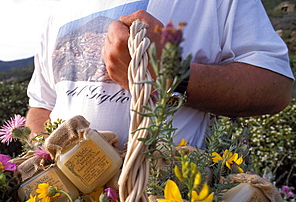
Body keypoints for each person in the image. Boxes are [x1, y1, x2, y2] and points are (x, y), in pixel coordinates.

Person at [26, 0, 294, 150]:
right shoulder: (58, 10)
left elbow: (276, 88)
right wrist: (44, 160)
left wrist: (171, 75)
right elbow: (41, 106)